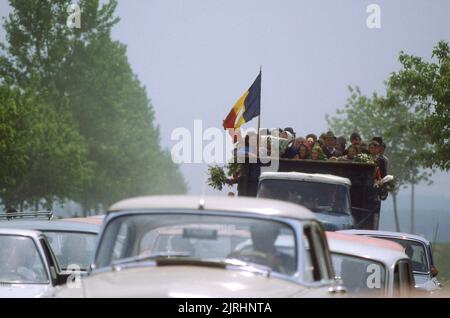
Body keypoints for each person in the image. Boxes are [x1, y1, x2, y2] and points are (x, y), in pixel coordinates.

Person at [230, 222, 295, 274]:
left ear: (275, 236)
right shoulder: (241, 258)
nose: (260, 241)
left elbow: (293, 283)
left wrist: (275, 266)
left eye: (265, 237)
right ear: (252, 236)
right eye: (257, 236)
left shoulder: (287, 261)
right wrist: (232, 261)